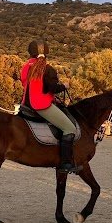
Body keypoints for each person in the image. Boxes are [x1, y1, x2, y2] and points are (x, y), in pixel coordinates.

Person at [21, 39, 82, 174]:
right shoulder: (47, 69)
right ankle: (65, 164)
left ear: (31, 53)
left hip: (26, 103)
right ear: (46, 52)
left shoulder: (25, 67)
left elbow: (25, 83)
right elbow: (52, 88)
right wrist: (64, 86)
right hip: (41, 105)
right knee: (69, 128)